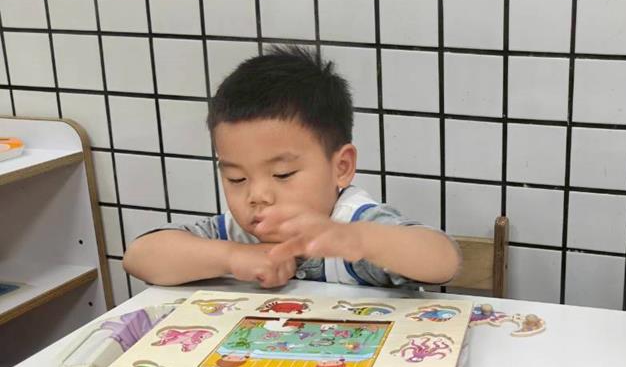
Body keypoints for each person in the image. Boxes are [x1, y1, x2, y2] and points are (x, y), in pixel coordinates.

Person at [124, 46, 460, 289]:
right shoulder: (237, 233)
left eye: (282, 175)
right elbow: (139, 257)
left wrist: (360, 240)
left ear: (341, 166)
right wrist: (232, 257)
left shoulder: (352, 224)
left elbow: (444, 261)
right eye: (236, 178)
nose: (257, 195)